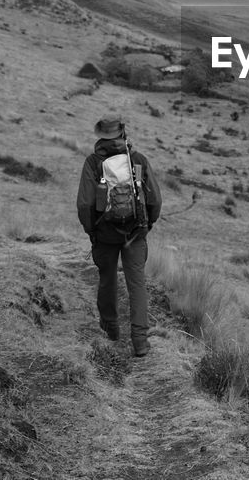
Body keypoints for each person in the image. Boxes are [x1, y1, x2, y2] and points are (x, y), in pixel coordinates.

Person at [76, 116, 161, 356]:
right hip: (136, 231)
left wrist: (91, 231)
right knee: (137, 284)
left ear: (100, 136)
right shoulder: (137, 160)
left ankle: (111, 330)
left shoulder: (93, 163)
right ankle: (140, 341)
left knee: (107, 279)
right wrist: (148, 223)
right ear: (123, 133)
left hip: (104, 233)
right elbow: (155, 199)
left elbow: (84, 204)